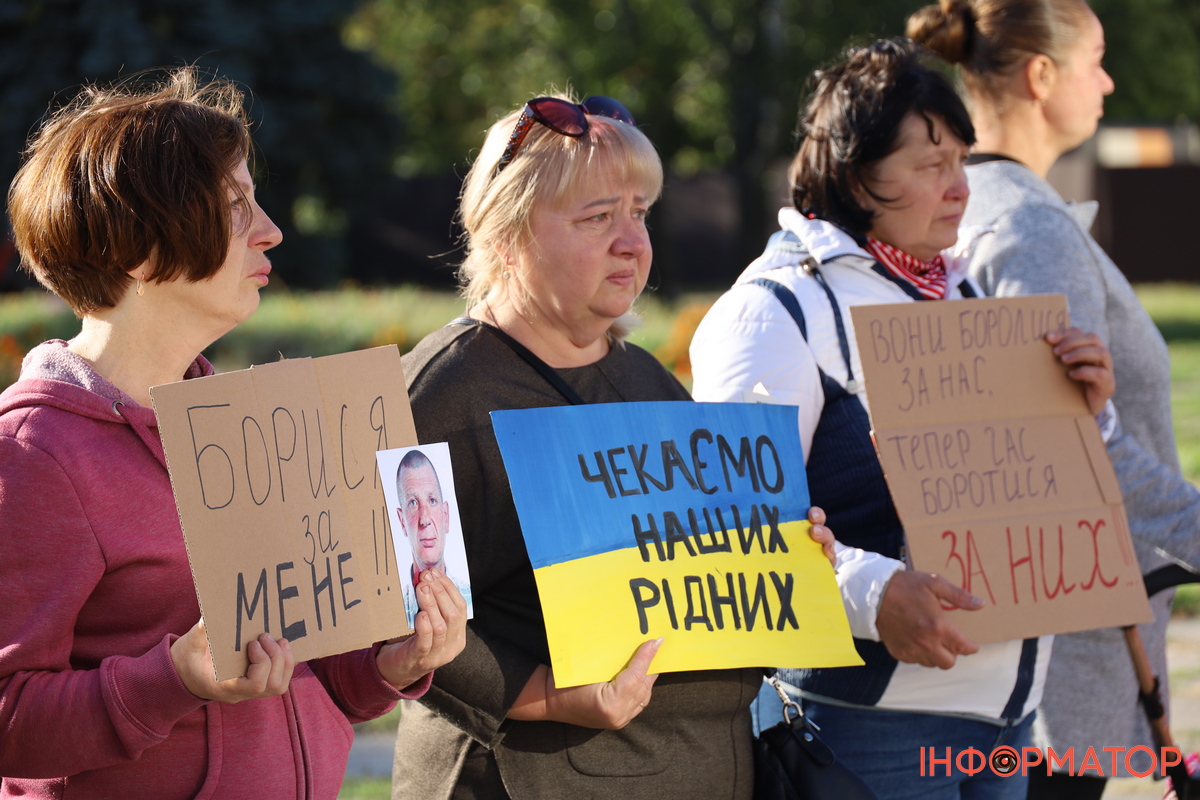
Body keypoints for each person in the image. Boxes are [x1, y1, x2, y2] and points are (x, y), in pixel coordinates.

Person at [0, 68, 466, 799]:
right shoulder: (34, 453)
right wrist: (172, 679)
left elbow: (300, 672)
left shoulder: (245, 426)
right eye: (234, 207)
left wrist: (390, 666)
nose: (271, 229)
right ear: (142, 251)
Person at [689, 38, 1117, 800]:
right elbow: (734, 535)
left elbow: (1017, 492)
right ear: (857, 176)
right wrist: (873, 595)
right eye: (931, 166)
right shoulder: (776, 312)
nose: (960, 188)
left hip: (1005, 721)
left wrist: (1080, 415)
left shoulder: (959, 289)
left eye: (961, 161)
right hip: (865, 728)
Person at [390, 92, 836, 800]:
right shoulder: (442, 393)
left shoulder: (647, 378)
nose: (633, 242)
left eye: (640, 213)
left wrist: (782, 552)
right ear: (509, 236)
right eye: (598, 218)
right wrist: (543, 695)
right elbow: (391, 613)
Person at [909, 2, 1200, 797]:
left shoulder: (966, 206)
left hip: (1015, 637)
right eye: (1096, 60)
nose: (1108, 82)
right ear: (1041, 75)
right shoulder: (1030, 228)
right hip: (1063, 648)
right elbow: (1067, 445)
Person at [395, 448, 474, 625]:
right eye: (413, 503)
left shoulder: (472, 597)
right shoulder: (391, 613)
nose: (424, 519)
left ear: (446, 516)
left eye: (432, 500)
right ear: (402, 521)